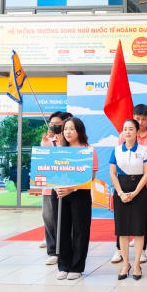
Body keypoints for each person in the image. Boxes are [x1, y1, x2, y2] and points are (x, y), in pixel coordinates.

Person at [112, 104, 147, 264]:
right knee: (121, 219)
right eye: (137, 118)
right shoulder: (124, 135)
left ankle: (142, 251)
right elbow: (118, 162)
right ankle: (119, 250)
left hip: (145, 182)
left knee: (143, 216)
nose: (140, 122)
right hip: (124, 182)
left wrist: (146, 170)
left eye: (143, 119)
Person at [51, 117, 97, 280]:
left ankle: (77, 266)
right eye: (65, 129)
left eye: (72, 129)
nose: (68, 132)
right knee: (61, 229)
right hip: (59, 193)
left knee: (80, 230)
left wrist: (71, 188)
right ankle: (63, 265)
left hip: (80, 194)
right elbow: (50, 171)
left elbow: (90, 176)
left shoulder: (88, 150)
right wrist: (57, 186)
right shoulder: (58, 149)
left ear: (79, 131)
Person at [110, 119, 147, 280]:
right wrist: (120, 193)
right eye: (125, 129)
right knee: (123, 229)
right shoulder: (116, 150)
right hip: (121, 190)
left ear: (136, 131)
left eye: (131, 129)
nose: (127, 132)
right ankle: (125, 263)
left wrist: (134, 193)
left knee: (138, 229)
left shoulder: (144, 150)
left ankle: (136, 265)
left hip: (139, 191)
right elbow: (113, 173)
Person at [40, 111, 72, 266]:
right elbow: (43, 161)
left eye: (57, 123)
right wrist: (46, 144)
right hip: (49, 188)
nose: (53, 126)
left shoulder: (71, 141)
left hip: (68, 188)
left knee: (66, 220)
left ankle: (66, 249)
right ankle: (52, 251)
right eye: (52, 123)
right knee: (48, 218)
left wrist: (62, 143)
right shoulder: (48, 141)